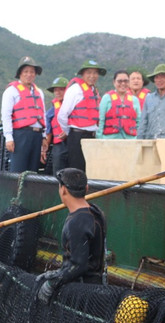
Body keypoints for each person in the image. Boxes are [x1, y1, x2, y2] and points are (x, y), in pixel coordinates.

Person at [36, 168, 106, 304]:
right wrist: (58, 272)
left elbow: (79, 265)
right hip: (95, 286)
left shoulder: (77, 222)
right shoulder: (95, 211)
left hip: (81, 294)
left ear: (63, 190)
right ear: (86, 188)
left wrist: (53, 283)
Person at [57, 60, 106, 173]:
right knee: (77, 170)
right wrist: (68, 131)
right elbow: (62, 115)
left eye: (95, 73)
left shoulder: (94, 91)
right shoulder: (75, 90)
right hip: (77, 135)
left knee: (91, 169)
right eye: (89, 72)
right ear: (83, 74)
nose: (92, 76)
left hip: (92, 136)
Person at [1, 56, 46, 173]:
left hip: (37, 135)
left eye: (32, 72)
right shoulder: (11, 91)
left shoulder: (39, 92)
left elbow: (43, 114)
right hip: (20, 135)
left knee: (33, 171)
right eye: (26, 71)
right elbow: (6, 115)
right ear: (20, 74)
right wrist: (9, 138)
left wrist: (44, 136)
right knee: (18, 170)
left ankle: (30, 191)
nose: (29, 74)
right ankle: (16, 191)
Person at [97, 70, 141, 139]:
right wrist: (99, 139)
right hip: (109, 140)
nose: (123, 83)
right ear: (114, 82)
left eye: (126, 81)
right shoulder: (106, 98)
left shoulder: (134, 100)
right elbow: (100, 120)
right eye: (119, 81)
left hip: (131, 140)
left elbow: (139, 122)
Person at [41, 76, 69, 174]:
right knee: (58, 173)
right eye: (55, 90)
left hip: (73, 143)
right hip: (59, 146)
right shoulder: (51, 112)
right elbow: (48, 132)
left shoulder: (75, 106)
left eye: (61, 89)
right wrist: (44, 150)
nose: (57, 92)